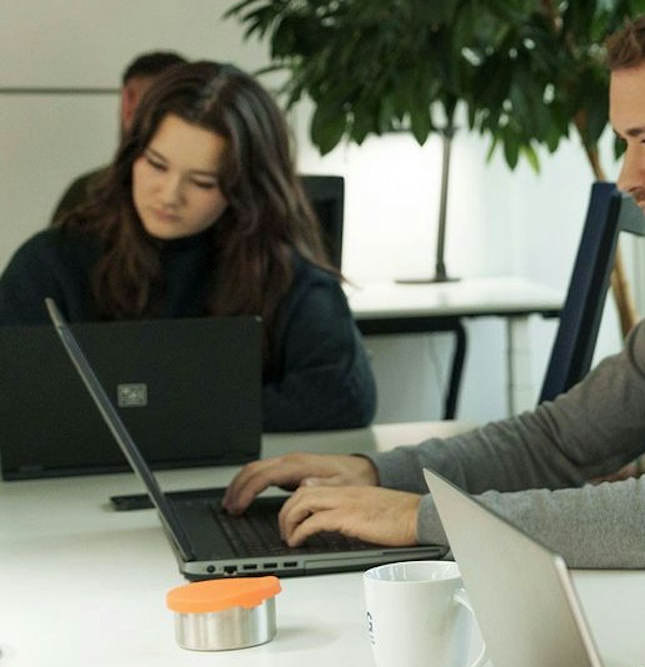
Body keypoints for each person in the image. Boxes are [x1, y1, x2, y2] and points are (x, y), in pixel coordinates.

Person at [220, 0, 645, 612]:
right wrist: (377, 475)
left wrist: (418, 518)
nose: (627, 176)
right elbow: (559, 442)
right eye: (625, 143)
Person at [0, 61, 375, 431]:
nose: (169, 196)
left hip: (234, 483)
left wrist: (160, 415)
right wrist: (198, 412)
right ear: (133, 154)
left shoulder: (279, 270)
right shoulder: (51, 261)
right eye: (157, 165)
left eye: (202, 182)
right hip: (68, 488)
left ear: (244, 190)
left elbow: (345, 396)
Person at [52, 50, 189, 224]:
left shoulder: (86, 191)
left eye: (203, 182)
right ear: (129, 101)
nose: (169, 197)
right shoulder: (85, 193)